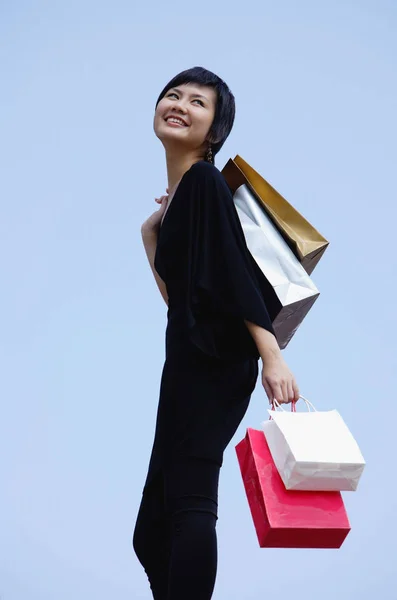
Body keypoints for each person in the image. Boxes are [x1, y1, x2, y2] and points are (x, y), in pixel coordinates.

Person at [132, 66, 299, 599]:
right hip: (185, 358)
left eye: (197, 102)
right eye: (172, 95)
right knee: (150, 531)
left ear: (215, 131)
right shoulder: (182, 198)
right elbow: (178, 298)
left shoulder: (205, 182)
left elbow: (232, 271)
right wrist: (149, 236)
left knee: (189, 502)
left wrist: (271, 356)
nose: (178, 104)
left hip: (213, 359)